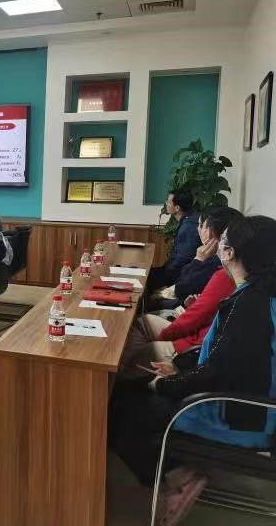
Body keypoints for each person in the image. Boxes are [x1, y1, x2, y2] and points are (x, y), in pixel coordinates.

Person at [110, 215, 276, 523]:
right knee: (130, 391)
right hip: (237, 402)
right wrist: (178, 367)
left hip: (237, 416)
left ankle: (176, 478)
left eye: (222, 241)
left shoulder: (249, 307)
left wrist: (165, 384)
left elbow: (219, 371)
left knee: (119, 406)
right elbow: (221, 357)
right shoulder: (257, 296)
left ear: (230, 253)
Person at [173, 206, 242, 301]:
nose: (198, 229)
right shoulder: (234, 257)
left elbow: (180, 290)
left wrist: (197, 260)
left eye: (201, 225)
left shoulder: (217, 264)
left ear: (210, 231)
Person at [147, 190, 201, 290]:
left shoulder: (189, 227)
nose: (166, 204)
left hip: (181, 277)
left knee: (146, 279)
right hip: (179, 272)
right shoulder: (189, 219)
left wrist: (163, 274)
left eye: (168, 202)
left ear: (177, 208)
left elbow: (183, 260)